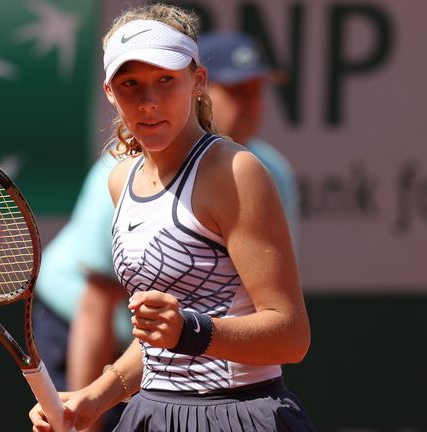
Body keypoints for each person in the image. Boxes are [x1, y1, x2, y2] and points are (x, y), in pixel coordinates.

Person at [30, 3, 314, 431]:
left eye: (165, 80)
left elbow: (290, 336)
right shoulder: (119, 179)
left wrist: (191, 332)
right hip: (152, 414)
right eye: (130, 84)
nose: (148, 102)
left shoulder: (237, 172)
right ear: (109, 92)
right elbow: (155, 343)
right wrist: (92, 399)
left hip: (237, 415)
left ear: (197, 82)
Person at [32, 151, 129, 431]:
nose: (245, 108)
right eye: (233, 101)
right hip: (74, 327)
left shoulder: (258, 167)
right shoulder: (119, 176)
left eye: (252, 101)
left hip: (145, 348)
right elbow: (95, 307)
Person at [198, 32, 299, 248]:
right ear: (198, 89)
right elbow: (105, 278)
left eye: (256, 91)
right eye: (237, 90)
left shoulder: (274, 169)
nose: (249, 104)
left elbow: (281, 275)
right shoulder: (135, 162)